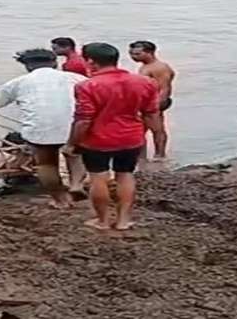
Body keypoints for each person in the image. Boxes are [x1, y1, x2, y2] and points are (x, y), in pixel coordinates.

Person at [64, 43, 166, 231]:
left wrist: (72, 143)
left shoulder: (87, 86)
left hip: (97, 140)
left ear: (91, 62)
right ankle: (123, 220)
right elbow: (151, 114)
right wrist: (158, 138)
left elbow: (84, 120)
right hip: (131, 138)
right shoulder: (145, 82)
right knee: (125, 175)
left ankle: (102, 221)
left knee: (99, 178)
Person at [0, 49, 87, 208]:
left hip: (40, 130)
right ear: (55, 63)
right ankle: (76, 184)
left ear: (27, 66)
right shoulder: (77, 78)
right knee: (75, 154)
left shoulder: (17, 83)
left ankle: (60, 200)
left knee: (47, 164)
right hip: (75, 126)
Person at [129, 41, 176, 161]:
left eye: (137, 54)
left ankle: (160, 156)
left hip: (155, 104)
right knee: (140, 131)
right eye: (131, 54)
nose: (133, 57)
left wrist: (157, 106)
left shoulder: (159, 67)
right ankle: (141, 158)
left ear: (149, 53)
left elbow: (164, 88)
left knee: (157, 130)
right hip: (145, 104)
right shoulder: (146, 66)